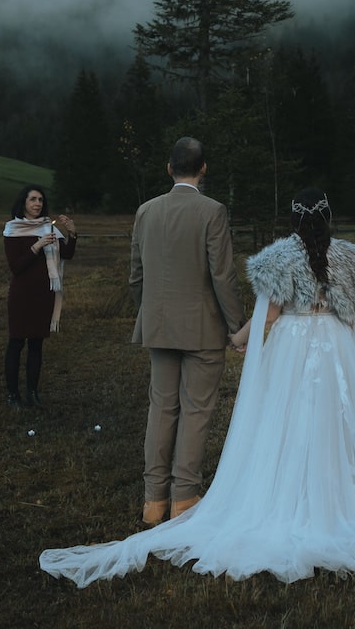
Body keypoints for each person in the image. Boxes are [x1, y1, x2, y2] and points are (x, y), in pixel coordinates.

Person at [39, 188, 355, 585]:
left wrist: (239, 339)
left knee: (286, 420)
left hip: (293, 347)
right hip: (330, 348)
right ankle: (338, 497)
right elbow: (350, 311)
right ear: (330, 218)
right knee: (333, 421)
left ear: (294, 221)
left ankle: (285, 495)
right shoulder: (352, 257)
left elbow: (267, 314)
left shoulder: (279, 257)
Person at [126, 137, 245, 526]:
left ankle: (153, 502)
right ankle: (185, 498)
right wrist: (236, 325)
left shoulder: (146, 210)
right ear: (203, 168)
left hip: (159, 324)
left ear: (168, 168)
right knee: (195, 411)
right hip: (202, 329)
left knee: (161, 408)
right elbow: (223, 275)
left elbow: (137, 275)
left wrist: (151, 312)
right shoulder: (212, 211)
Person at [2, 184, 77, 408]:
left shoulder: (48, 228)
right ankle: (13, 395)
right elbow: (16, 267)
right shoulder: (13, 229)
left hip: (44, 294)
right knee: (16, 343)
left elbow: (67, 254)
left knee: (36, 344)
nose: (37, 204)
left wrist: (72, 233)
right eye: (33, 199)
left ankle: (33, 392)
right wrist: (37, 246)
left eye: (41, 200)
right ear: (23, 203)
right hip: (22, 295)